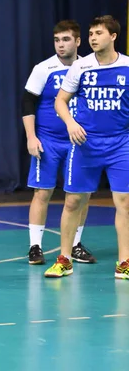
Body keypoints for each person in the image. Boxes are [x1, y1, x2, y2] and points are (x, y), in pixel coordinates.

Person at [45, 15, 129, 278]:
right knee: (73, 202)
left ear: (113, 36)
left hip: (120, 144)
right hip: (85, 144)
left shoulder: (127, 66)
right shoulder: (80, 67)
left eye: (98, 33)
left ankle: (124, 263)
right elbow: (60, 101)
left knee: (124, 203)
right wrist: (70, 123)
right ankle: (64, 260)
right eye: (91, 33)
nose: (93, 38)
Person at [22, 20, 95, 265]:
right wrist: (32, 137)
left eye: (65, 40)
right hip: (49, 141)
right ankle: (35, 246)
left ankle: (75, 244)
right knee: (43, 192)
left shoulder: (88, 67)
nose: (60, 45)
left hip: (79, 142)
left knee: (81, 195)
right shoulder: (44, 68)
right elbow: (27, 103)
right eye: (56, 40)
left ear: (77, 41)